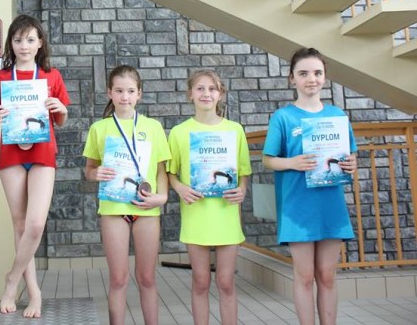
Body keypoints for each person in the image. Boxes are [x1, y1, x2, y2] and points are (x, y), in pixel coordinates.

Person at [263, 47, 357, 325]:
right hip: (298, 207)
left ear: (325, 77)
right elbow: (268, 160)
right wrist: (292, 162)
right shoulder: (283, 117)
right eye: (303, 73)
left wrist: (352, 164)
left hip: (330, 205)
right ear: (292, 78)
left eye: (317, 73)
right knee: (304, 276)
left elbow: (350, 155)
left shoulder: (337, 115)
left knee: (327, 275)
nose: (311, 79)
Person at [0, 15, 70, 318]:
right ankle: (34, 293)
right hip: (12, 154)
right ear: (11, 43)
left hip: (43, 153)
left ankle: (12, 278)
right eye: (18, 40)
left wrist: (61, 109)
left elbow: (61, 119)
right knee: (20, 225)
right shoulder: (0, 78)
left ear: (40, 43)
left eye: (30, 39)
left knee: (34, 225)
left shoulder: (51, 76)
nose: (24, 45)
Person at [83, 65, 170, 325]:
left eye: (130, 91)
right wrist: (94, 174)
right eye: (119, 91)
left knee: (147, 278)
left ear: (139, 93)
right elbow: (89, 169)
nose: (125, 96)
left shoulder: (153, 127)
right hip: (113, 209)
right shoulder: (99, 128)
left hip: (146, 209)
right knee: (118, 279)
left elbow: (161, 170)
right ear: (109, 93)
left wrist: (162, 197)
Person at [166, 69, 251, 325]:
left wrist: (242, 189)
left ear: (220, 94)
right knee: (200, 281)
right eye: (200, 88)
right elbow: (170, 172)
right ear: (190, 94)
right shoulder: (179, 132)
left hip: (226, 215)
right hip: (196, 215)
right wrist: (180, 188)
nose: (206, 93)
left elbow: (243, 172)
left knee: (226, 281)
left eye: (212, 88)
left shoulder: (235, 130)